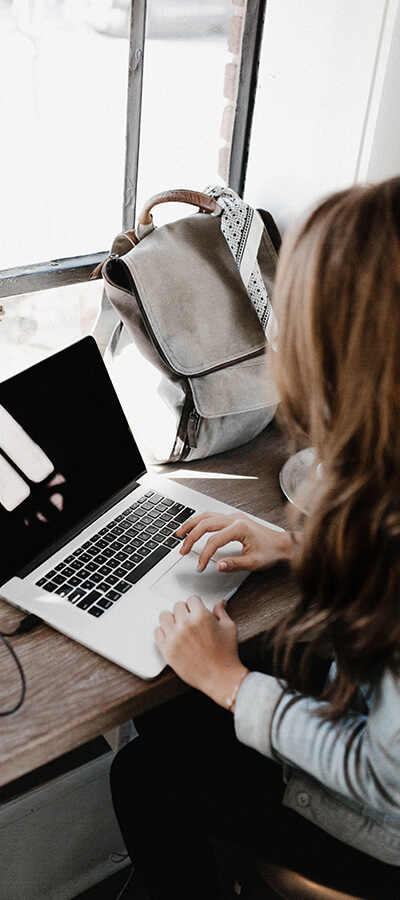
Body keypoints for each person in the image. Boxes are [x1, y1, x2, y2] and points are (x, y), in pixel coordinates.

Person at [110, 177, 400, 899]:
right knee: (176, 711)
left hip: (385, 834)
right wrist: (295, 547)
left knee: (145, 775)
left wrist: (231, 683)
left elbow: (382, 778)